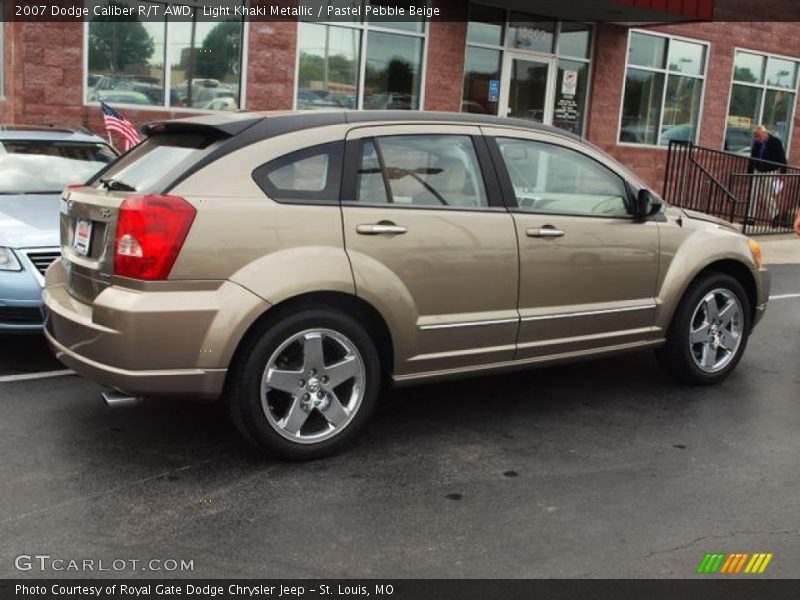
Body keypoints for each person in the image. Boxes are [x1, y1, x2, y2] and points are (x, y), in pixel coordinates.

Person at [748, 125, 788, 226]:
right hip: (758, 170)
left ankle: (775, 216)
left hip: (769, 171)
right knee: (753, 194)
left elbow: (781, 156)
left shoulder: (775, 142)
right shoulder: (757, 143)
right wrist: (750, 171)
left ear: (765, 133)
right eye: (756, 136)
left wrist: (782, 171)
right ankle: (750, 218)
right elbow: (752, 157)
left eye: (759, 136)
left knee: (767, 195)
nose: (757, 139)